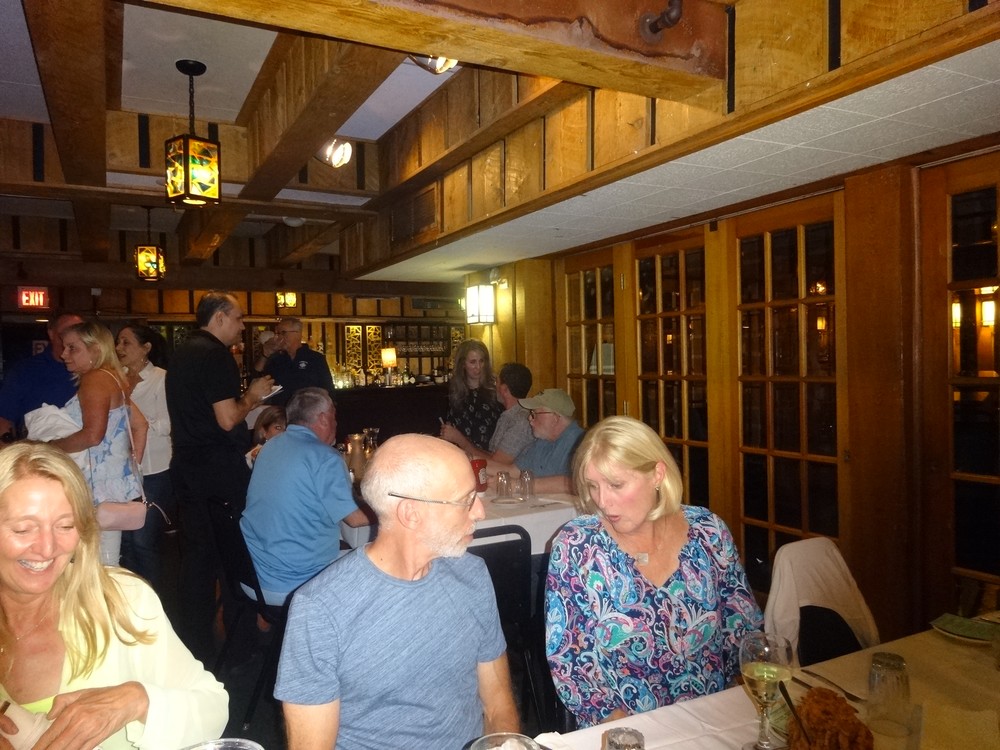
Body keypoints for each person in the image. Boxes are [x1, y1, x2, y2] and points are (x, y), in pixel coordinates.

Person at [275, 433, 520, 750]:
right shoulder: (320, 609)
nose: (480, 513)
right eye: (466, 500)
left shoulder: (472, 575)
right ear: (411, 514)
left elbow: (498, 705)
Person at [0, 441, 228, 749]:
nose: (47, 548)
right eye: (23, 529)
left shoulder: (121, 600)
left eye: (65, 525)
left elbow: (214, 709)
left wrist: (137, 700)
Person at [545, 415, 763, 727]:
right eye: (592, 486)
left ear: (657, 474)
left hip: (715, 720)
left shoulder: (708, 532)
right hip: (625, 731)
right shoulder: (578, 546)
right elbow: (571, 667)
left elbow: (744, 631)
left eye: (616, 484)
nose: (602, 501)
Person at [165, 291, 274, 663]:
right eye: (239, 319)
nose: (242, 327)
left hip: (187, 465)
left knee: (197, 558)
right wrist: (253, 396)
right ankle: (239, 648)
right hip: (217, 470)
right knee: (231, 556)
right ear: (220, 318)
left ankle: (192, 645)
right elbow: (228, 419)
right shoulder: (215, 355)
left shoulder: (182, 353)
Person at [242, 388, 369, 605]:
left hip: (253, 573)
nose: (336, 423)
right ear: (323, 418)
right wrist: (393, 506)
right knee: (379, 563)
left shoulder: (269, 447)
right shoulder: (325, 457)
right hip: (297, 581)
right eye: (334, 417)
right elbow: (355, 519)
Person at [50, 320, 147, 567]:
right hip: (110, 485)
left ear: (95, 349)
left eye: (72, 348)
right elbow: (141, 425)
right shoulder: (114, 378)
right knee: (106, 562)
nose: (64, 354)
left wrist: (48, 448)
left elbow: (92, 436)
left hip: (92, 486)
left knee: (89, 563)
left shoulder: (94, 379)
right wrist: (128, 466)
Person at [114, 323, 175, 595]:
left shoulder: (161, 378)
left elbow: (168, 424)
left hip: (154, 470)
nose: (119, 348)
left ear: (145, 348)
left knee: (142, 540)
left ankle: (153, 601)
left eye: (126, 342)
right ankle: (129, 599)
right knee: (124, 542)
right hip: (121, 470)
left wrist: (135, 412)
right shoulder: (114, 378)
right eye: (118, 342)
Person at [0, 312, 83, 442]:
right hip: (39, 451)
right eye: (65, 333)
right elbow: (4, 420)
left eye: (80, 333)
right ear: (51, 333)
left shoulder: (95, 373)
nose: (72, 338)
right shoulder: (25, 371)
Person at [486, 388, 584, 495]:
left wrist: (518, 485)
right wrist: (476, 464)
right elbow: (515, 471)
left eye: (534, 413)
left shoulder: (581, 442)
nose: (529, 418)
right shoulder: (543, 441)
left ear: (555, 418)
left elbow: (574, 483)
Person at [441, 362, 534, 465]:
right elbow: (492, 456)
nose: (495, 386)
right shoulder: (509, 415)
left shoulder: (520, 421)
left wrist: (460, 440)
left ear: (504, 390)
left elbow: (498, 465)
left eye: (497, 382)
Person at [251, 317, 333, 407]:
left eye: (283, 333)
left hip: (308, 411)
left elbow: (328, 390)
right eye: (277, 334)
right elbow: (256, 378)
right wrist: (265, 354)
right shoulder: (276, 359)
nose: (279, 337)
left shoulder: (315, 358)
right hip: (281, 412)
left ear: (298, 334)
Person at [440, 340, 503, 452]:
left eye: (481, 361)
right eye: (473, 362)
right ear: (463, 364)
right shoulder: (455, 392)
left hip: (491, 455)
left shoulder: (496, 389)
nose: (478, 367)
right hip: (461, 454)